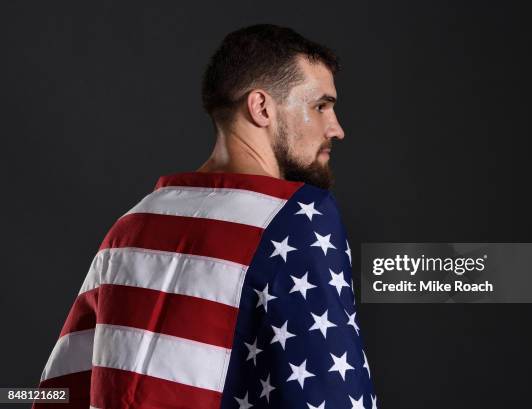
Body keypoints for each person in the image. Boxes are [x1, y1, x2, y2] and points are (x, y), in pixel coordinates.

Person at [34, 24, 377, 409]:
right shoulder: (296, 217)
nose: (337, 128)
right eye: (320, 106)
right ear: (261, 107)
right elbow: (329, 394)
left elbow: (60, 391)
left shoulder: (131, 225)